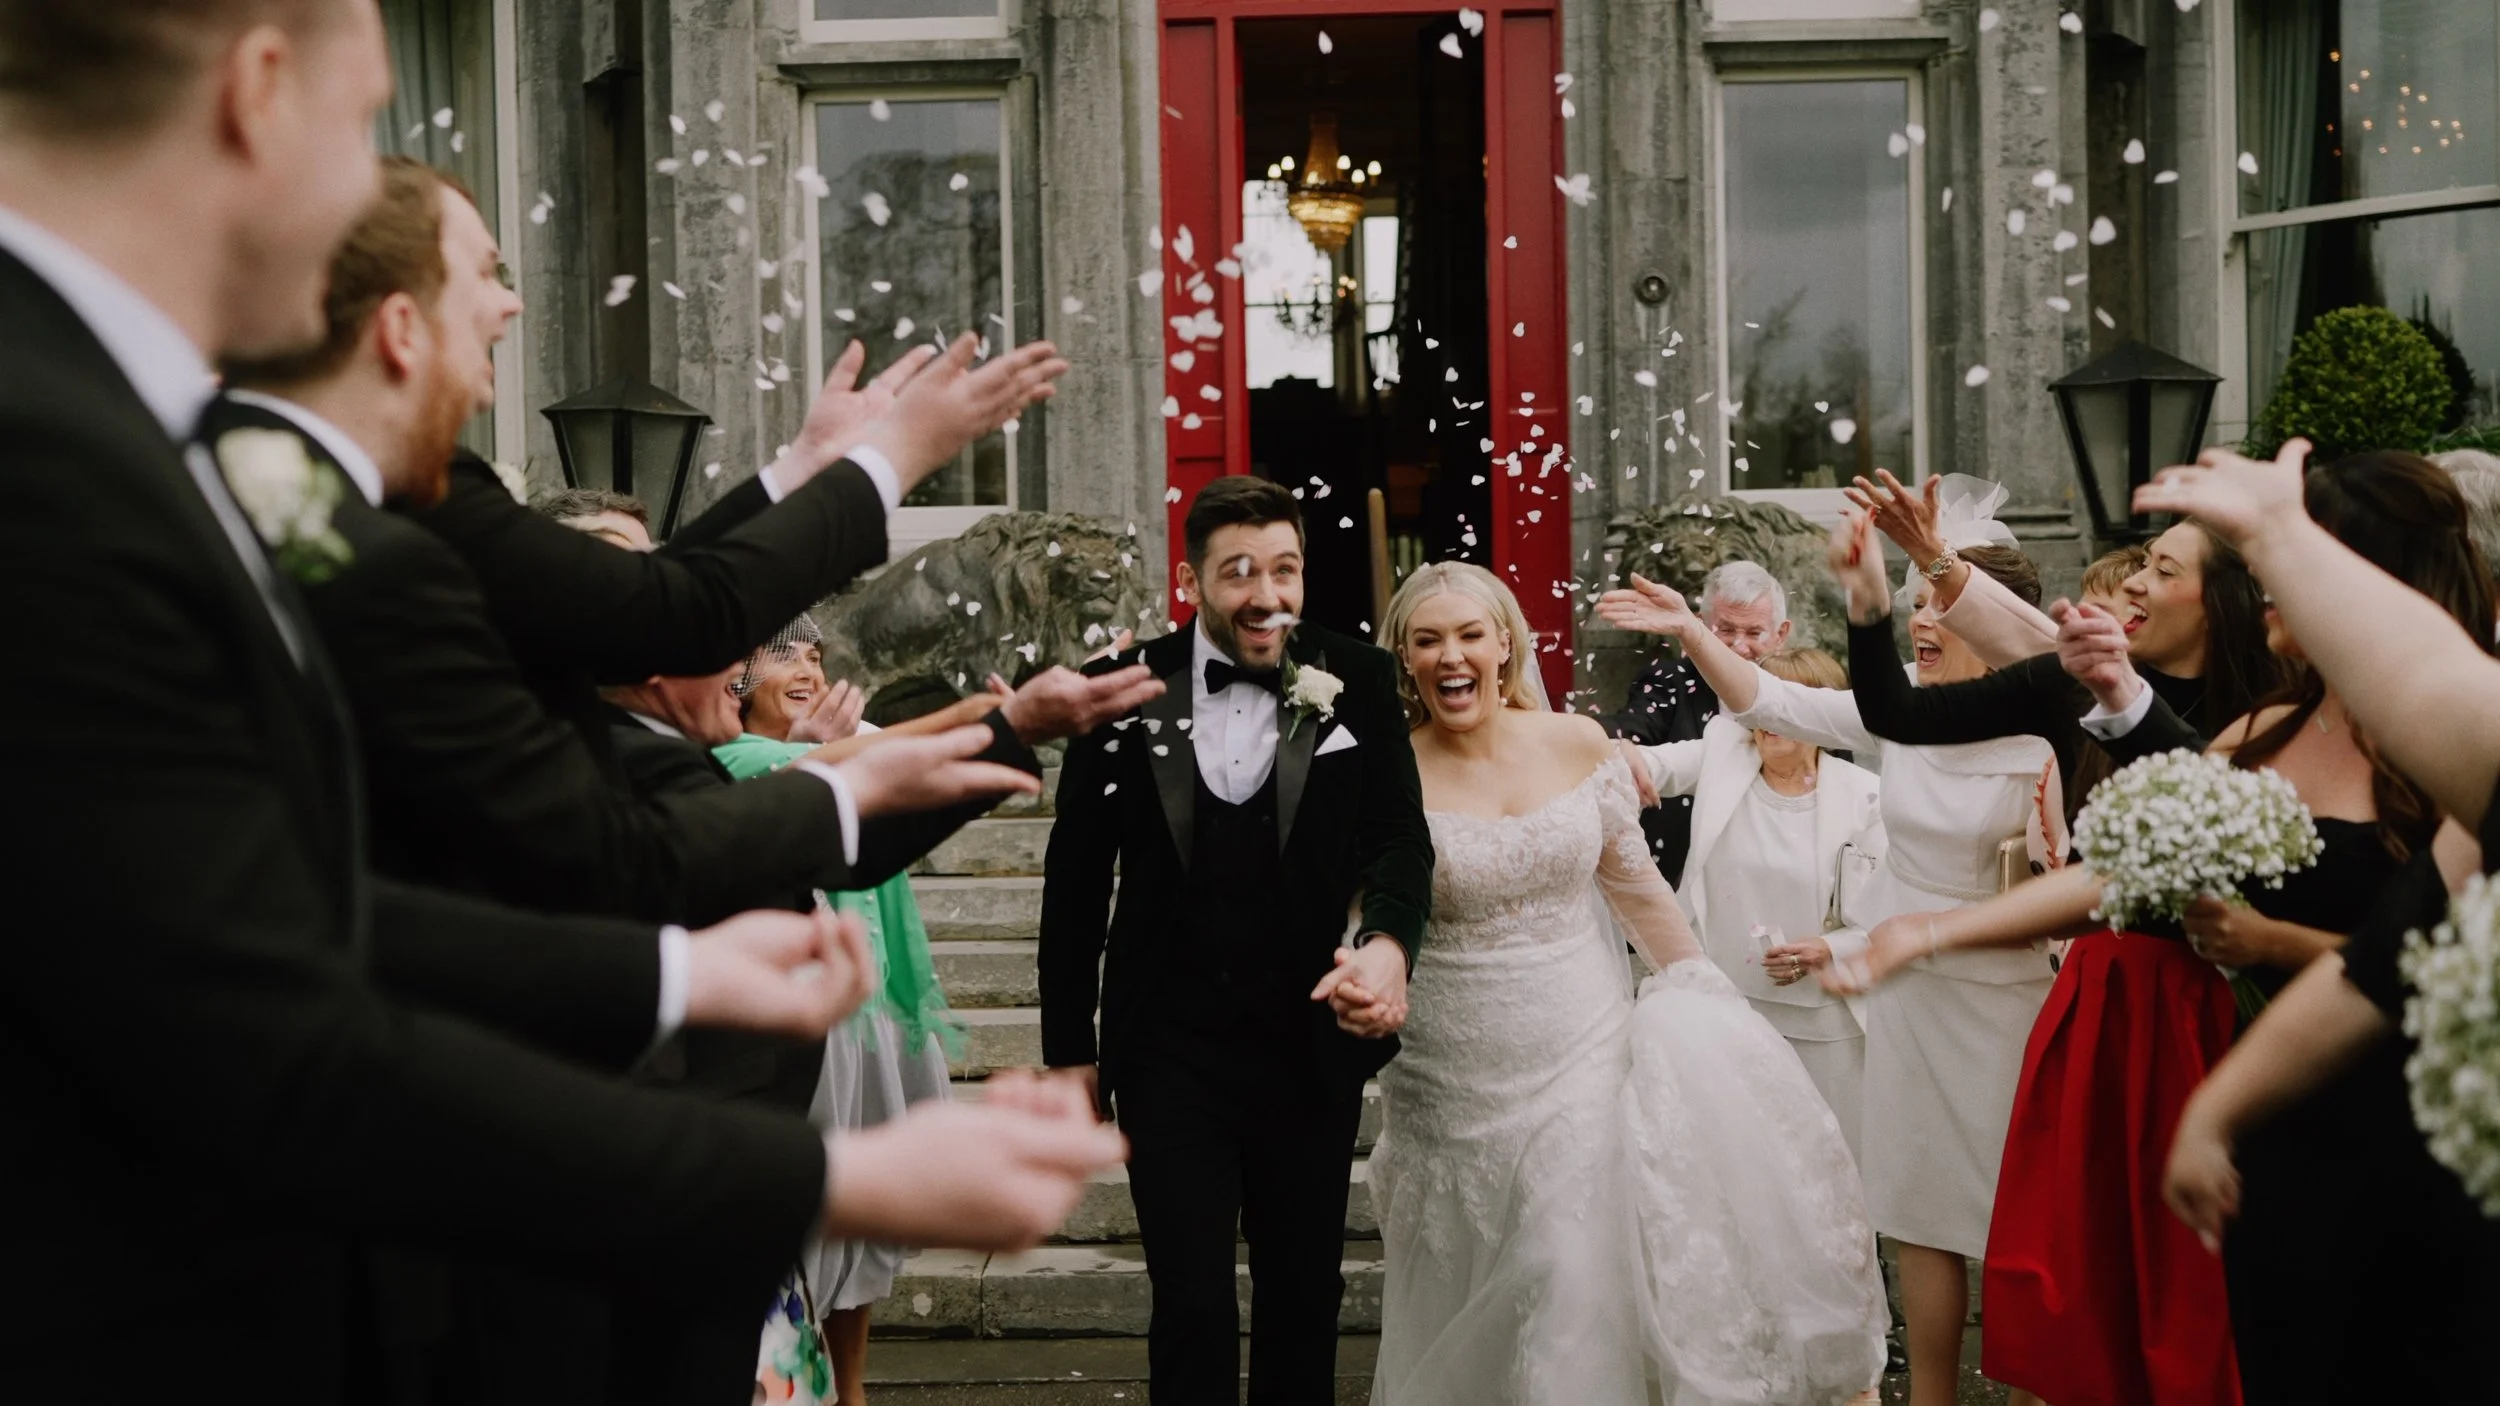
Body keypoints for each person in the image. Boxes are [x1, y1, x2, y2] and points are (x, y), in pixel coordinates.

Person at [0, 2, 1124, 1399]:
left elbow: (290, 910)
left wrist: (675, 974)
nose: (372, 203)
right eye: (365, 124)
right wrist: (835, 1177)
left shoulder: (156, 437)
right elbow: (271, 1031)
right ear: (259, 92)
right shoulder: (56, 464)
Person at [213, 157, 1077, 927]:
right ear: (401, 325)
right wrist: (895, 458)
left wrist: (805, 468)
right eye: (484, 272)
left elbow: (660, 601)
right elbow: (674, 618)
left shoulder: (395, 484)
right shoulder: (398, 507)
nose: (512, 301)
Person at [1841, 452, 2495, 1406]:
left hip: (2396, 1115)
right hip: (2268, 1100)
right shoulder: (2265, 732)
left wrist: (2268, 955)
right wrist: (1931, 934)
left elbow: (2397, 953)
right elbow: (2135, 865)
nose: (2267, 585)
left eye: (2277, 560)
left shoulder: (2447, 753)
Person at [1371, 562, 1884, 1405]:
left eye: (1469, 635)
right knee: (1470, 1277)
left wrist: (1703, 993)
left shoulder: (1577, 743)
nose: (1450, 656)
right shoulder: (1386, 772)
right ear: (1405, 658)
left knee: (1567, 1266)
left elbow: (1636, 887)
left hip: (1579, 1053)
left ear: (1504, 646)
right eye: (1428, 641)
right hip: (1447, 1075)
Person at [1598, 516, 2060, 1406]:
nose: (1922, 619)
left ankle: (2036, 1391)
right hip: (1906, 996)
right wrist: (1692, 630)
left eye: (1940, 602)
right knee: (1920, 1217)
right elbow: (1772, 703)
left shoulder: (2052, 730)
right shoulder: (1904, 710)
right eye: (1915, 602)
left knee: (2022, 1217)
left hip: (2009, 995)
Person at [1037, 475, 1434, 1405]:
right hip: (1167, 1047)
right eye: (1240, 572)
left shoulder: (1357, 676)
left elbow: (1398, 841)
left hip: (1308, 1045)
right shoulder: (1118, 687)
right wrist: (1069, 1054)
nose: (1267, 594)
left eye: (1284, 570)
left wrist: (1388, 944)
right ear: (1190, 581)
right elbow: (1077, 881)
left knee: (1305, 1297)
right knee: (1192, 1303)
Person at [714, 616, 970, 1406]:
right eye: (784, 655)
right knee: (813, 1205)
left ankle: (852, 1390)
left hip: (875, 1004)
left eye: (816, 656)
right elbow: (823, 773)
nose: (808, 669)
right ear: (736, 680)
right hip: (798, 1017)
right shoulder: (730, 758)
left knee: (861, 1223)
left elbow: (892, 764)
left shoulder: (840, 741)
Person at [1619, 646, 1882, 1157]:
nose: (1765, 720)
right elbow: (1651, 765)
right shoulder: (1724, 755)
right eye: (1758, 704)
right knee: (1739, 1156)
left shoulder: (1866, 797)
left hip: (1826, 1022)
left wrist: (1831, 948)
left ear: (1819, 717)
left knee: (1828, 1158)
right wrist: (1616, 751)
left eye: (1782, 707)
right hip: (1725, 1008)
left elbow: (1887, 913)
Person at [1602, 559, 1794, 876]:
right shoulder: (1669, 682)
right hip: (1681, 872)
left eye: (1754, 632)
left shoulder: (1802, 692)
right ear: (1700, 625)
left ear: (1781, 634)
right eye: (1726, 630)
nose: (1739, 647)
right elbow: (1627, 728)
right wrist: (1613, 743)